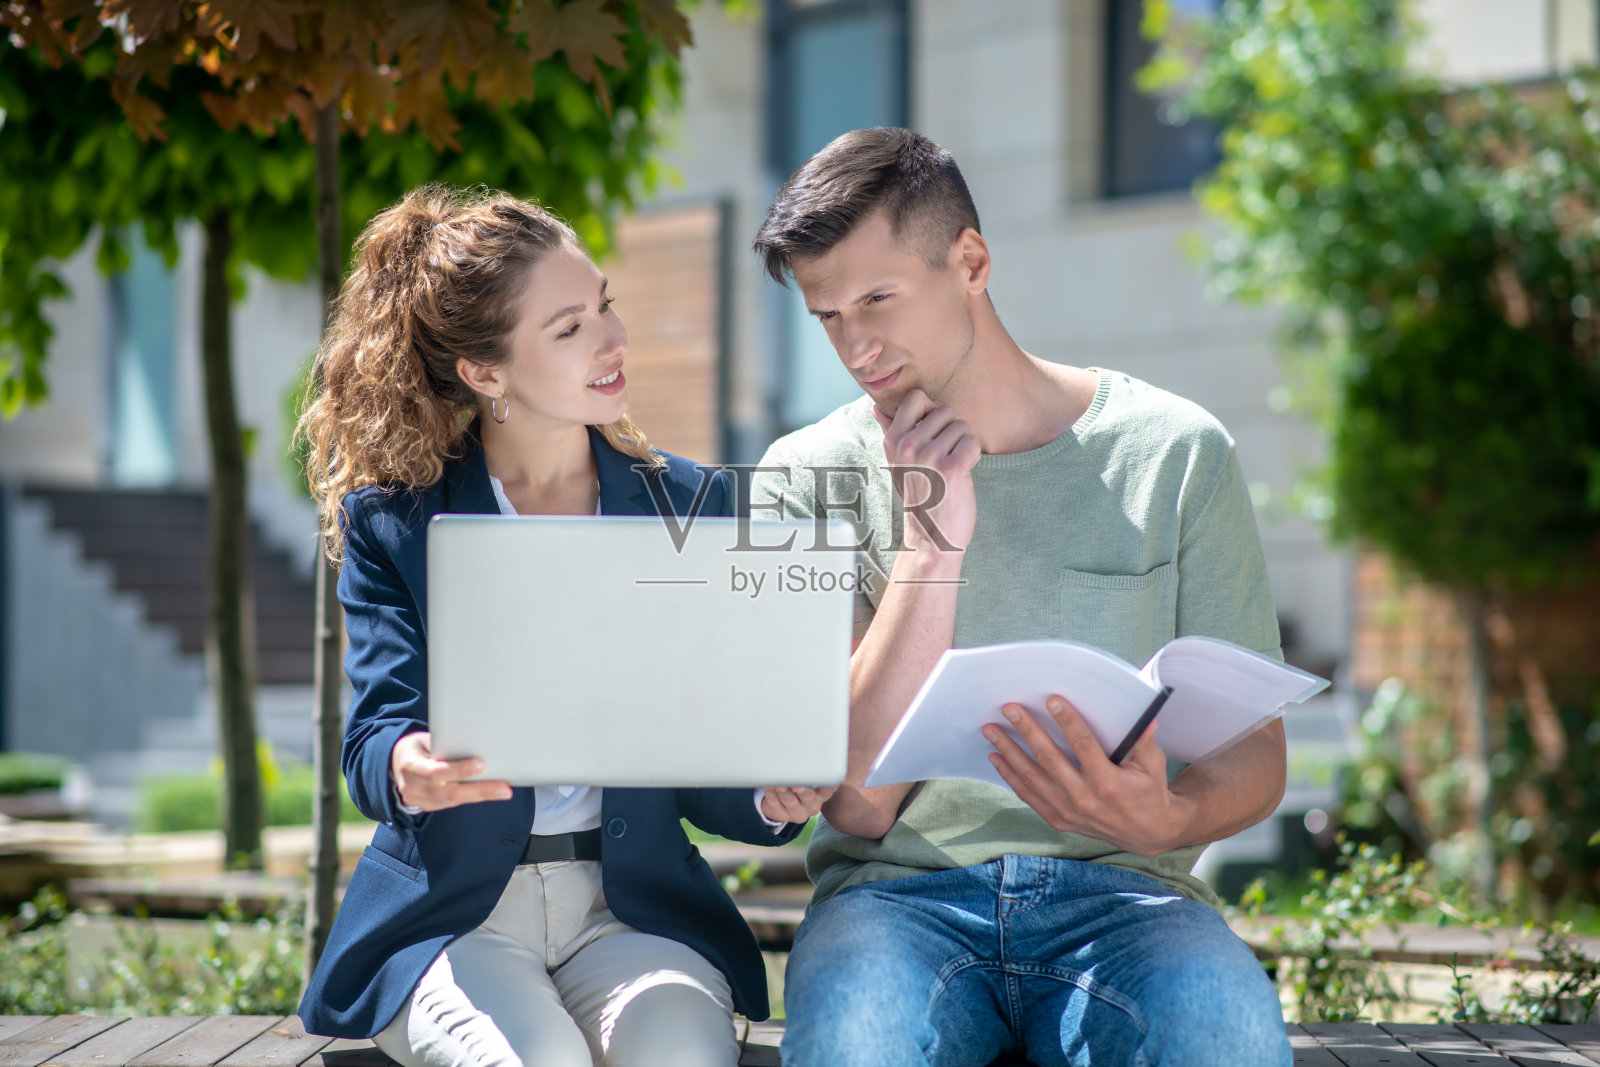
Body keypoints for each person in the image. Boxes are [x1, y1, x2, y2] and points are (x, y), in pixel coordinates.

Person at [748, 129, 1293, 1067]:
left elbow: (1254, 761)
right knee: (854, 1044)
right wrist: (931, 545)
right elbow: (861, 805)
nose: (857, 345)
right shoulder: (803, 477)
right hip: (894, 904)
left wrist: (1166, 820)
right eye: (829, 315)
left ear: (971, 260)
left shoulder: (1175, 453)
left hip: (1128, 902)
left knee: (1225, 1033)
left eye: (878, 298)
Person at [295, 185, 830, 1067]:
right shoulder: (394, 524)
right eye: (568, 326)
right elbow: (374, 741)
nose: (612, 339)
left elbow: (704, 766)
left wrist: (768, 795)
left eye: (604, 306)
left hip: (629, 912)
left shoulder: (692, 504)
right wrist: (409, 766)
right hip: (459, 918)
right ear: (484, 372)